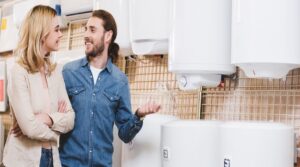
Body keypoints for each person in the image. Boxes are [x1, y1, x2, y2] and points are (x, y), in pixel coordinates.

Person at [59, 9, 160, 167]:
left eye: (92, 30)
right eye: (85, 29)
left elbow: (125, 135)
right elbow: (57, 118)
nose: (86, 34)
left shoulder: (120, 81)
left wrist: (139, 115)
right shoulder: (69, 72)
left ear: (107, 36)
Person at [3, 5, 75, 167]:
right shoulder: (19, 72)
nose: (61, 34)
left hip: (51, 157)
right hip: (23, 160)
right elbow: (29, 128)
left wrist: (47, 118)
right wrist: (56, 131)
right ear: (42, 33)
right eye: (56, 29)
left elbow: (70, 118)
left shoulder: (55, 72)